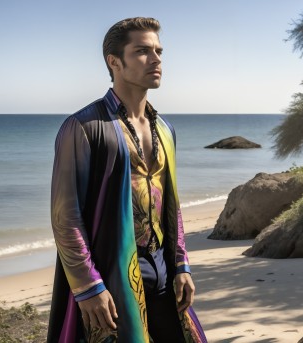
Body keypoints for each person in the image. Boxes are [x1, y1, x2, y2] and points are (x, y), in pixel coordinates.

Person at [47, 17, 207, 343]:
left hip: (164, 270)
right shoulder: (84, 127)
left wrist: (182, 265)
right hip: (112, 277)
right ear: (114, 61)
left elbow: (170, 205)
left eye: (159, 51)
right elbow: (66, 216)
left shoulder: (165, 129)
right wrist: (87, 286)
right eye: (142, 51)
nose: (157, 59)